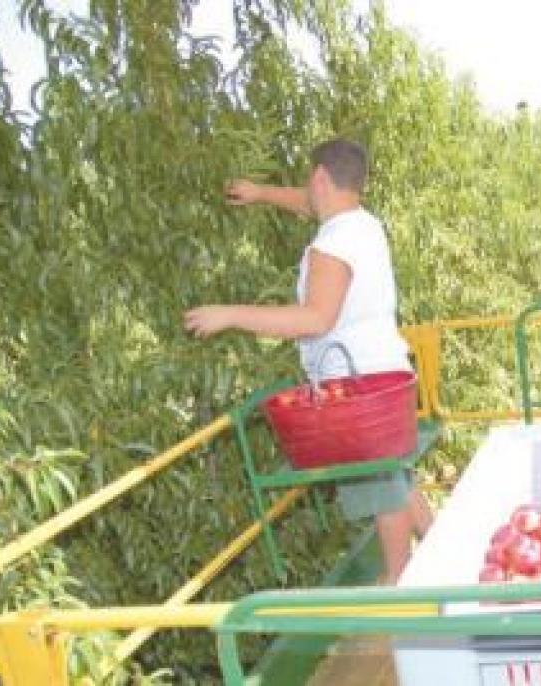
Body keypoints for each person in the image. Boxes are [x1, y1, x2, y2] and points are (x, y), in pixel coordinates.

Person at [185, 138, 433, 583]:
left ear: (320, 176)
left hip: (355, 387)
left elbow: (315, 318)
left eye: (309, 179)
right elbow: (307, 202)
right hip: (388, 373)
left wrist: (230, 315)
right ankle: (440, 550)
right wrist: (261, 193)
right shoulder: (364, 223)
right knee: (395, 473)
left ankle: (400, 586)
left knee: (380, 486)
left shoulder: (332, 243)